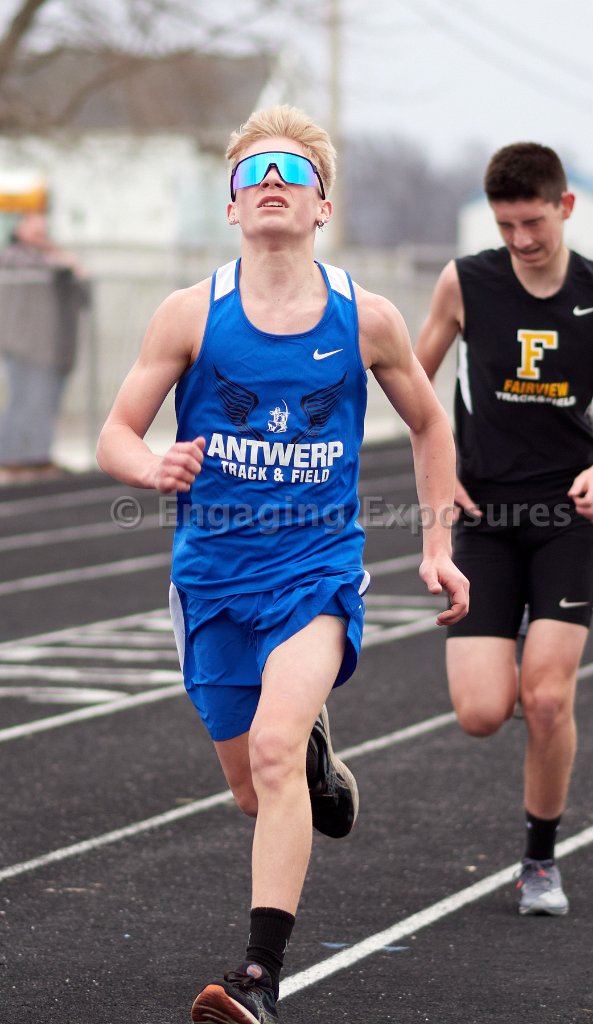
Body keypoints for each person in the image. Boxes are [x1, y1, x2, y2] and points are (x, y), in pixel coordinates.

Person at [96, 104, 469, 1023]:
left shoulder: (365, 318)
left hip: (314, 572)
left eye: (293, 172)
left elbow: (430, 424)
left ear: (321, 206)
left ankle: (259, 979)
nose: (272, 181)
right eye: (253, 172)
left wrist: (436, 546)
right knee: (251, 789)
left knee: (269, 753)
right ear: (230, 205)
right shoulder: (190, 313)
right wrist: (150, 466)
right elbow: (115, 433)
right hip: (213, 578)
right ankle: (315, 761)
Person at [415, 142, 593, 917]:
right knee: (480, 712)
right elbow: (407, 384)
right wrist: (442, 469)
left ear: (564, 206)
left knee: (548, 700)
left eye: (532, 222)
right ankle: (522, 673)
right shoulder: (464, 282)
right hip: (484, 518)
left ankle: (538, 861)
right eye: (505, 226)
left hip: (567, 515)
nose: (520, 239)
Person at [0, 212, 89, 483]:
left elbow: (83, 293)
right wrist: (61, 258)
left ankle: (38, 458)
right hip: (26, 348)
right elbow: (53, 268)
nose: (41, 233)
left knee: (45, 407)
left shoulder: (55, 260)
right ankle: (12, 460)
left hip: (55, 350)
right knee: (25, 405)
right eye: (33, 226)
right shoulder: (14, 258)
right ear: (19, 229)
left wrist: (69, 263)